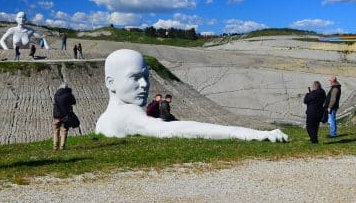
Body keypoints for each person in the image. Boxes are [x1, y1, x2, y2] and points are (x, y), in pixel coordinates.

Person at [95, 49, 288, 142]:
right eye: (134, 78)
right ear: (110, 83)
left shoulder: (105, 119)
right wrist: (249, 133)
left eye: (146, 76)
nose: (144, 84)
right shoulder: (126, 114)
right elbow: (170, 130)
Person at [52, 83, 77, 150]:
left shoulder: (56, 94)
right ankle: (62, 147)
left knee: (56, 131)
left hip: (56, 115)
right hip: (66, 116)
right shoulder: (69, 95)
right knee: (64, 130)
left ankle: (55, 147)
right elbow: (74, 102)